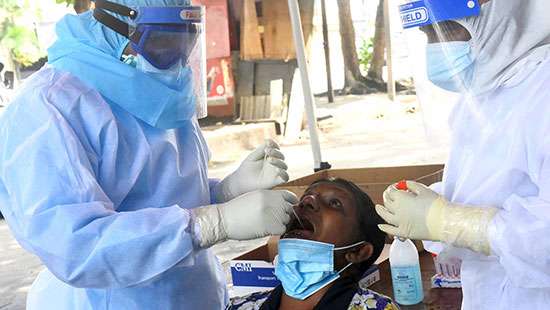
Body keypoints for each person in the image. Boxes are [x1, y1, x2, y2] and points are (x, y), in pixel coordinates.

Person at [0, 1, 298, 309]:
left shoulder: (158, 87)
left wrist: (223, 191)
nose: (177, 56)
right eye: (164, 41)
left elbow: (156, 193)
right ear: (116, 29)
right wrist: (213, 223)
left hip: (192, 293)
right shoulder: (49, 106)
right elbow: (75, 245)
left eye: (185, 40)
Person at [375, 0, 550, 309]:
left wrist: (447, 220)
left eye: (447, 30)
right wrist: (432, 202)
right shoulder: (486, 90)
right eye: (427, 35)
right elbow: (489, 185)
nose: (437, 49)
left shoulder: (542, 90)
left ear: (503, 12)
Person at [227, 178, 398, 310]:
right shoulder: (240, 306)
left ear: (358, 251)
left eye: (334, 203)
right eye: (306, 196)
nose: (306, 201)